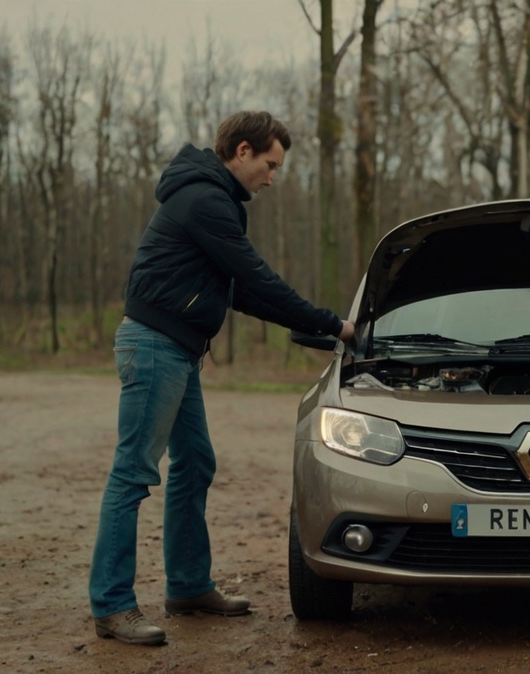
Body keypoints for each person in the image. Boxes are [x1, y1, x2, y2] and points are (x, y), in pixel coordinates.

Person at [89, 111, 355, 645]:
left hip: (178, 348)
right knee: (133, 472)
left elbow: (242, 292)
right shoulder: (205, 201)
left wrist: (318, 328)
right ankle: (112, 605)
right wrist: (333, 323)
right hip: (154, 346)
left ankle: (188, 586)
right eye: (270, 165)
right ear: (242, 151)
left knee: (195, 462)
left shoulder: (216, 201)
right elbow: (256, 276)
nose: (272, 178)